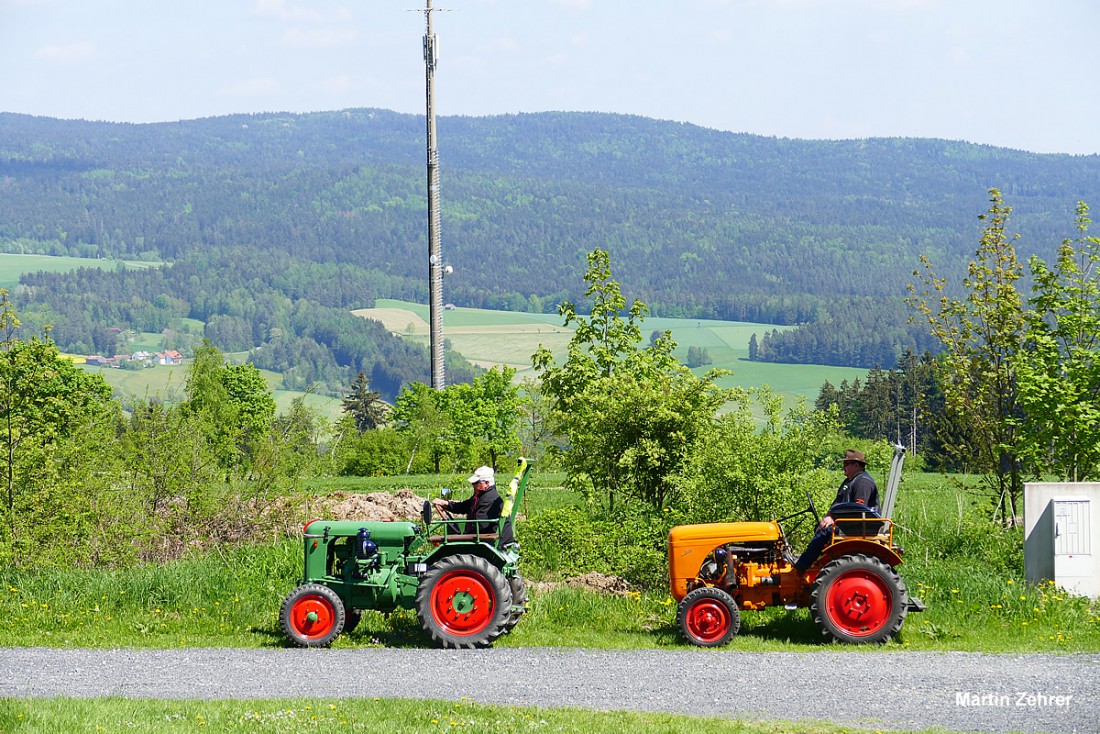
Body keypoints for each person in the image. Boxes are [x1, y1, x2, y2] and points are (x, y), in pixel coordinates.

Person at [792, 449, 879, 573]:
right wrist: (828, 517)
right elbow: (837, 503)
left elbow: (858, 509)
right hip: (849, 523)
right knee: (820, 527)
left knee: (826, 531)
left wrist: (833, 519)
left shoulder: (863, 482)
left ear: (856, 465)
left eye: (846, 464)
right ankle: (817, 564)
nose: (844, 467)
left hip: (862, 526)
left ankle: (801, 566)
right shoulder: (849, 481)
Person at [431, 465, 514, 545]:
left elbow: (480, 525)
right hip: (486, 536)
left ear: (487, 483)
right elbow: (465, 506)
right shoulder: (481, 495)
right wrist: (446, 504)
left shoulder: (489, 499)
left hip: (494, 541)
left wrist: (463, 535)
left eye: (476, 483)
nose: (473, 485)